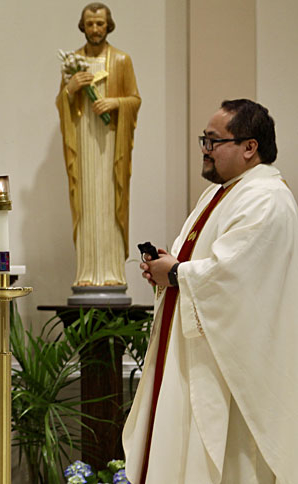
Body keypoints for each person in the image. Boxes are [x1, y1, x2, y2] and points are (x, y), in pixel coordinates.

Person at [123, 100, 298, 483]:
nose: (205, 148)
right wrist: (169, 270)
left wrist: (180, 273)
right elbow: (209, 265)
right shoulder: (223, 192)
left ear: (249, 147)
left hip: (230, 368)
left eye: (213, 141)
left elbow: (237, 278)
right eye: (204, 139)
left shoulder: (266, 198)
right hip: (193, 352)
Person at [57, 2, 141, 288]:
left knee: (109, 201)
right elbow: (63, 104)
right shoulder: (72, 62)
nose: (95, 29)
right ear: (83, 26)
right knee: (86, 203)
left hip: (110, 145)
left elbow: (134, 99)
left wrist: (115, 102)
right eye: (90, 24)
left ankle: (112, 272)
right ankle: (87, 272)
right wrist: (70, 89)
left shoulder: (121, 60)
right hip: (83, 145)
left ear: (108, 26)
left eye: (100, 24)